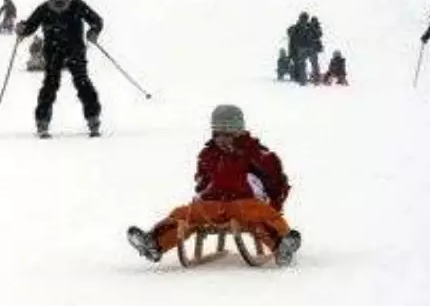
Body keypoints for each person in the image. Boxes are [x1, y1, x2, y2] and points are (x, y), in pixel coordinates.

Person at [126, 105, 302, 266]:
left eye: (229, 134)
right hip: (212, 205)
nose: (222, 139)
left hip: (244, 203)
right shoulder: (208, 154)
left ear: (240, 131)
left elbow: (276, 181)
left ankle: (282, 244)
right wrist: (202, 191)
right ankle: (154, 243)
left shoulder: (256, 153)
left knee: (261, 216)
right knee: (183, 214)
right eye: (218, 134)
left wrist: (275, 204)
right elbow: (201, 180)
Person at [14, 0, 104, 138]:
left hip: (75, 49)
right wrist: (22, 29)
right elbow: (30, 26)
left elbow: (96, 20)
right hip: (53, 52)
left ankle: (93, 120)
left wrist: (94, 32)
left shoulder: (77, 5)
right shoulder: (44, 9)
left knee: (82, 82)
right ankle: (42, 122)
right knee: (50, 84)